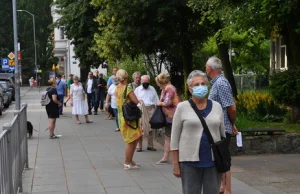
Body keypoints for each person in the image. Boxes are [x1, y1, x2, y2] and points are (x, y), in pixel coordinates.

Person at [171, 70, 226, 194]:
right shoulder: (182, 107)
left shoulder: (217, 106)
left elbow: (222, 136)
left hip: (213, 161)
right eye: (196, 85)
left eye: (203, 83)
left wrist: (224, 166)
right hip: (189, 162)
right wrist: (175, 164)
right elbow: (174, 139)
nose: (200, 87)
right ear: (190, 88)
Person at [206, 56, 238, 194]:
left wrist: (232, 123)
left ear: (210, 68)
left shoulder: (221, 83)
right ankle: (221, 188)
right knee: (219, 158)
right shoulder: (217, 83)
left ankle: (227, 190)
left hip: (222, 128)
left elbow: (231, 107)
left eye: (205, 67)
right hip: (218, 127)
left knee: (223, 159)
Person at [115, 69, 142, 169]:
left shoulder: (117, 87)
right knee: (131, 141)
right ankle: (127, 163)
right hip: (129, 117)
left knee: (133, 139)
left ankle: (130, 160)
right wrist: (139, 100)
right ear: (126, 76)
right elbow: (135, 101)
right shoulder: (127, 87)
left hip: (122, 115)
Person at [155, 72, 181, 164]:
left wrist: (159, 103)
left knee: (169, 136)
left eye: (158, 83)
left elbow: (167, 102)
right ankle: (166, 157)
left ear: (160, 82)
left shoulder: (169, 88)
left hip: (173, 116)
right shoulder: (166, 88)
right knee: (168, 136)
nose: (157, 85)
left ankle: (167, 157)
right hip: (170, 116)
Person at [134, 75, 159, 152]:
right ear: (141, 82)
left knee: (150, 127)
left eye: (147, 82)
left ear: (149, 82)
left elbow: (156, 100)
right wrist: (139, 102)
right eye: (144, 82)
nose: (145, 84)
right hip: (141, 109)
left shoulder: (152, 89)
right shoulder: (137, 90)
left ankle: (150, 145)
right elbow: (134, 100)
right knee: (140, 128)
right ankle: (139, 146)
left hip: (151, 109)